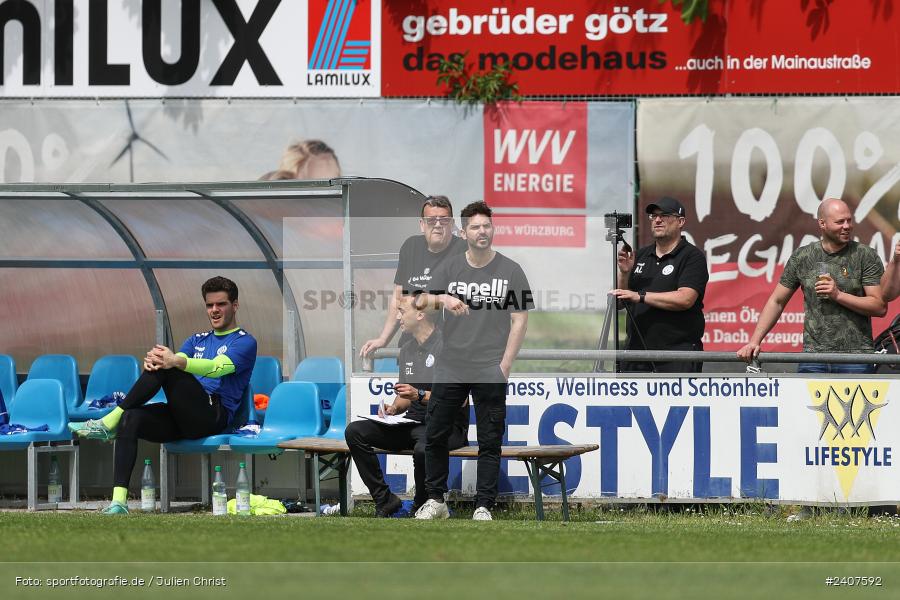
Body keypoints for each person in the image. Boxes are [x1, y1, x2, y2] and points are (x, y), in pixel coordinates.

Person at [68, 276, 257, 514]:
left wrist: (171, 360)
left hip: (213, 416)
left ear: (235, 305)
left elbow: (217, 367)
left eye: (221, 304)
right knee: (132, 418)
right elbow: (170, 365)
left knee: (168, 368)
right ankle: (118, 502)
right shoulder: (195, 340)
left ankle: (109, 419)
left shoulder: (245, 341)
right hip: (183, 417)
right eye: (210, 305)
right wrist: (157, 360)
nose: (214, 310)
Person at [413, 201, 533, 521]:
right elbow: (421, 300)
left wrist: (504, 366)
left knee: (490, 439)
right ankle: (436, 501)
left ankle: (484, 505)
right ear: (463, 232)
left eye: (487, 226)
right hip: (451, 363)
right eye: (476, 227)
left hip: (489, 365)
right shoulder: (450, 268)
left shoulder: (510, 270)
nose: (483, 232)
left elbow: (519, 320)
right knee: (436, 433)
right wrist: (444, 298)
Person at [345, 296, 468, 517]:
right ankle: (385, 500)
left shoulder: (448, 346)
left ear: (420, 315)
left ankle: (422, 504)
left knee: (424, 447)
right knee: (355, 431)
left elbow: (460, 400)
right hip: (412, 424)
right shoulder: (407, 349)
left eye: (402, 311)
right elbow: (406, 398)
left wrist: (419, 394)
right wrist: (393, 408)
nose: (398, 316)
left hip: (447, 428)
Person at [737, 198, 886, 373]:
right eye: (840, 222)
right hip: (813, 357)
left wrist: (838, 295)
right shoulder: (803, 256)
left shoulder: (865, 255)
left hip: (856, 358)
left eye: (849, 220)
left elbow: (879, 306)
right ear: (822, 224)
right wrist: (755, 341)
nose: (847, 226)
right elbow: (776, 301)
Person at [611, 196, 709, 373]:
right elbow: (620, 303)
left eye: (664, 215)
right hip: (636, 354)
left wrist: (640, 296)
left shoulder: (692, 257)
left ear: (681, 221)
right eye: (653, 216)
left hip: (676, 356)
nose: (657, 220)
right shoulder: (639, 255)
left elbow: (685, 299)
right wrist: (624, 274)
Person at [359, 196, 466, 356]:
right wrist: (383, 339)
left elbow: (463, 301)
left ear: (451, 224)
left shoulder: (463, 250)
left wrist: (433, 301)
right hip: (412, 346)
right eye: (431, 221)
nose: (437, 225)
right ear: (422, 225)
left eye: (444, 220)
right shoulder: (410, 247)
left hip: (449, 348)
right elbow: (398, 298)